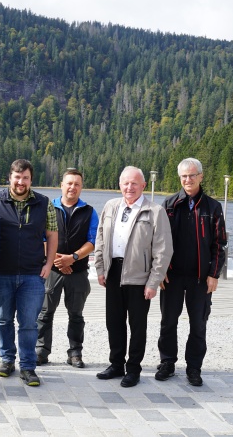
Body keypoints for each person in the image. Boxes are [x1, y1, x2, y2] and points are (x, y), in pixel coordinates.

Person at [94, 166, 173, 387]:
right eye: (126, 183)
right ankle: (116, 364)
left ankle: (133, 369)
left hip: (140, 276)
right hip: (113, 272)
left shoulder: (154, 211)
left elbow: (163, 250)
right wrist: (101, 269)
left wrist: (153, 282)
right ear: (120, 185)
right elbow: (101, 239)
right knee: (114, 323)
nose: (129, 187)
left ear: (143, 186)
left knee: (137, 325)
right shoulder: (110, 206)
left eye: (134, 183)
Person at [156, 158, 227, 387]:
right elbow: (158, 242)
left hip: (200, 277)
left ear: (201, 176)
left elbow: (219, 244)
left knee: (198, 323)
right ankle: (167, 362)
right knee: (168, 322)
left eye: (192, 175)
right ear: (180, 178)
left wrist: (214, 274)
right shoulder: (169, 204)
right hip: (172, 275)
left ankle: (194, 367)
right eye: (184, 176)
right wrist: (160, 270)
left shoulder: (212, 207)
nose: (188, 179)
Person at [0, 159, 57, 387]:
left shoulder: (44, 202)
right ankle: (7, 360)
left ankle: (28, 366)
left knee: (29, 323)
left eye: (25, 178)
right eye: (17, 177)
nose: (21, 182)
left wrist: (48, 265)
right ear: (9, 177)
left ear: (31, 179)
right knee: (3, 319)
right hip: (2, 273)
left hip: (32, 274)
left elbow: (52, 235)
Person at [36, 168, 99, 369]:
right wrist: (56, 260)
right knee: (45, 312)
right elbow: (40, 237)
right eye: (69, 183)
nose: (72, 187)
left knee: (76, 315)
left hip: (78, 271)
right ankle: (41, 351)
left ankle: (75, 353)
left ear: (81, 187)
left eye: (77, 184)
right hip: (51, 270)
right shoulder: (48, 207)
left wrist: (72, 258)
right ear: (61, 185)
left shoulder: (89, 211)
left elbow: (93, 241)